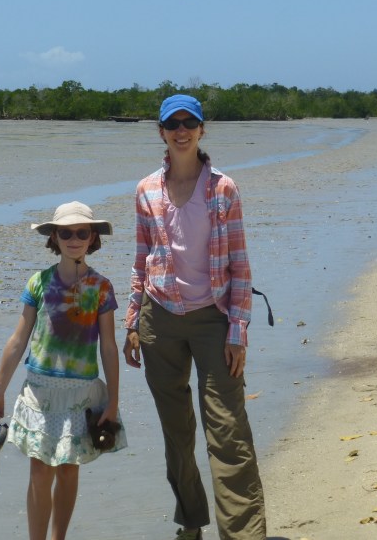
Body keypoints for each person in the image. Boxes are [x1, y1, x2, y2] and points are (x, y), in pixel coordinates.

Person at [123, 95, 266, 540]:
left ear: (202, 130)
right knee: (177, 432)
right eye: (173, 123)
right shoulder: (146, 189)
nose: (181, 130)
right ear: (161, 131)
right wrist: (132, 319)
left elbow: (240, 264)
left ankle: (243, 534)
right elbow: (142, 257)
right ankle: (190, 523)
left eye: (190, 122)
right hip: (158, 318)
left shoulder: (223, 188)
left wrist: (237, 329)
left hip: (213, 318)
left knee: (228, 431)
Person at [0, 201, 126, 540]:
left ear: (92, 238)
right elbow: (18, 341)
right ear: (54, 237)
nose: (74, 239)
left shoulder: (101, 287)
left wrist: (113, 401)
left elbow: (108, 346)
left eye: (81, 233)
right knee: (39, 472)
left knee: (68, 471)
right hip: (39, 391)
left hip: (80, 392)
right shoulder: (39, 282)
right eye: (66, 233)